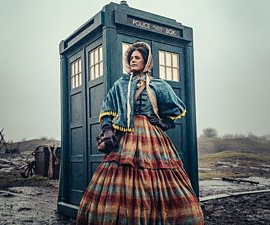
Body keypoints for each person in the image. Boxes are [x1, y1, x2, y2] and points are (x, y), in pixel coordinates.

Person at [76, 42, 204, 225]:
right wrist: (107, 129)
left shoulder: (158, 85)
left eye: (137, 57)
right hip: (125, 136)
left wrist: (163, 123)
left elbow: (177, 108)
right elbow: (107, 110)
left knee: (156, 174)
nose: (133, 60)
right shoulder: (120, 84)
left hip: (151, 137)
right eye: (131, 58)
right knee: (119, 176)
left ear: (146, 61)